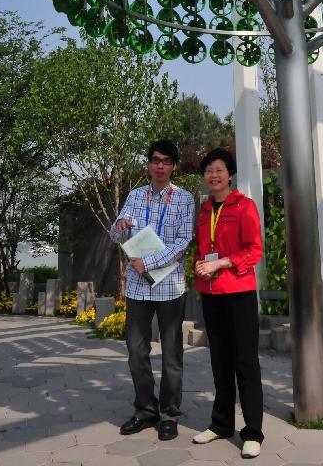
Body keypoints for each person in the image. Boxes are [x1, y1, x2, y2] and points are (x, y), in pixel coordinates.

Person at [110, 139, 194, 441]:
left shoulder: (184, 199)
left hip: (170, 287)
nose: (160, 166)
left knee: (172, 354)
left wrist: (149, 262)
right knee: (135, 352)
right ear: (148, 163)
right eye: (155, 160)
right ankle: (145, 409)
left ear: (173, 167)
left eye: (166, 161)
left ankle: (170, 414)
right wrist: (118, 227)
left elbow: (183, 242)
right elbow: (115, 232)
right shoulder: (134, 196)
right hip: (136, 288)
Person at [192, 148, 264, 460]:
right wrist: (199, 264)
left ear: (230, 175)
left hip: (239, 294)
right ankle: (221, 425)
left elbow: (254, 250)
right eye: (209, 170)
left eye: (219, 169)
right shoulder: (204, 209)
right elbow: (202, 248)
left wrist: (222, 262)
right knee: (219, 362)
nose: (214, 175)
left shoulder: (244, 206)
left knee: (245, 363)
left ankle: (253, 432)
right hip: (211, 294)